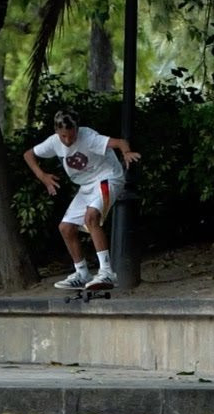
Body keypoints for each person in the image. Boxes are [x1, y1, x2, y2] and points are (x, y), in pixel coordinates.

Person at [24, 110, 141, 290]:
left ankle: (107, 272)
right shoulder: (53, 142)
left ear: (77, 129)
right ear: (56, 131)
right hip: (86, 186)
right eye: (63, 136)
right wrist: (43, 177)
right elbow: (28, 154)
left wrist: (126, 153)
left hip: (108, 178)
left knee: (91, 217)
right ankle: (82, 273)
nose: (68, 141)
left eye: (72, 136)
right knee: (66, 228)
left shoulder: (89, 137)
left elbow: (120, 142)